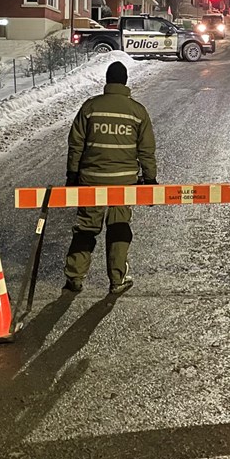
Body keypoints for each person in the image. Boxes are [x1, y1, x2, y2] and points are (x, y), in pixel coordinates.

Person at [64, 59, 156, 294]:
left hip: (91, 179)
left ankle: (74, 276)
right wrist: (150, 180)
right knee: (118, 226)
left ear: (107, 81)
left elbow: (76, 144)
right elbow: (146, 149)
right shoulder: (137, 111)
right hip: (123, 182)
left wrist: (72, 175)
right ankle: (117, 279)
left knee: (86, 228)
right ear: (125, 82)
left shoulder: (90, 107)